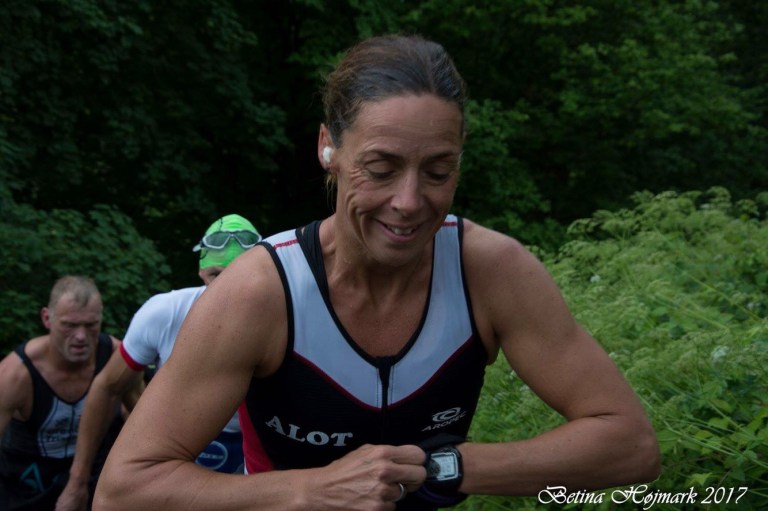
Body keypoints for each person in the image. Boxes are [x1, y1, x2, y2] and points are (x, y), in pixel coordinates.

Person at [94, 34, 661, 511]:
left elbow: (631, 445)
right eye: (381, 168)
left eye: (437, 172)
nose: (409, 202)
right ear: (329, 150)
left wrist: (448, 465)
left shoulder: (491, 271)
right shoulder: (260, 292)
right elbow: (124, 489)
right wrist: (312, 490)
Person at [54, 214, 261, 511]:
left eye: (236, 275)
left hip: (252, 447)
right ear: (201, 273)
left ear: (258, 275)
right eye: (216, 275)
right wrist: (77, 481)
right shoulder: (165, 312)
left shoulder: (284, 318)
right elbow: (108, 387)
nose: (226, 287)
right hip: (177, 445)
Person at [0, 276, 126, 510]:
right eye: (69, 325)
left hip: (97, 476)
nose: (81, 336)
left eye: (91, 325)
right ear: (47, 318)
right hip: (27, 484)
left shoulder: (117, 357)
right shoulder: (14, 374)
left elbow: (144, 423)